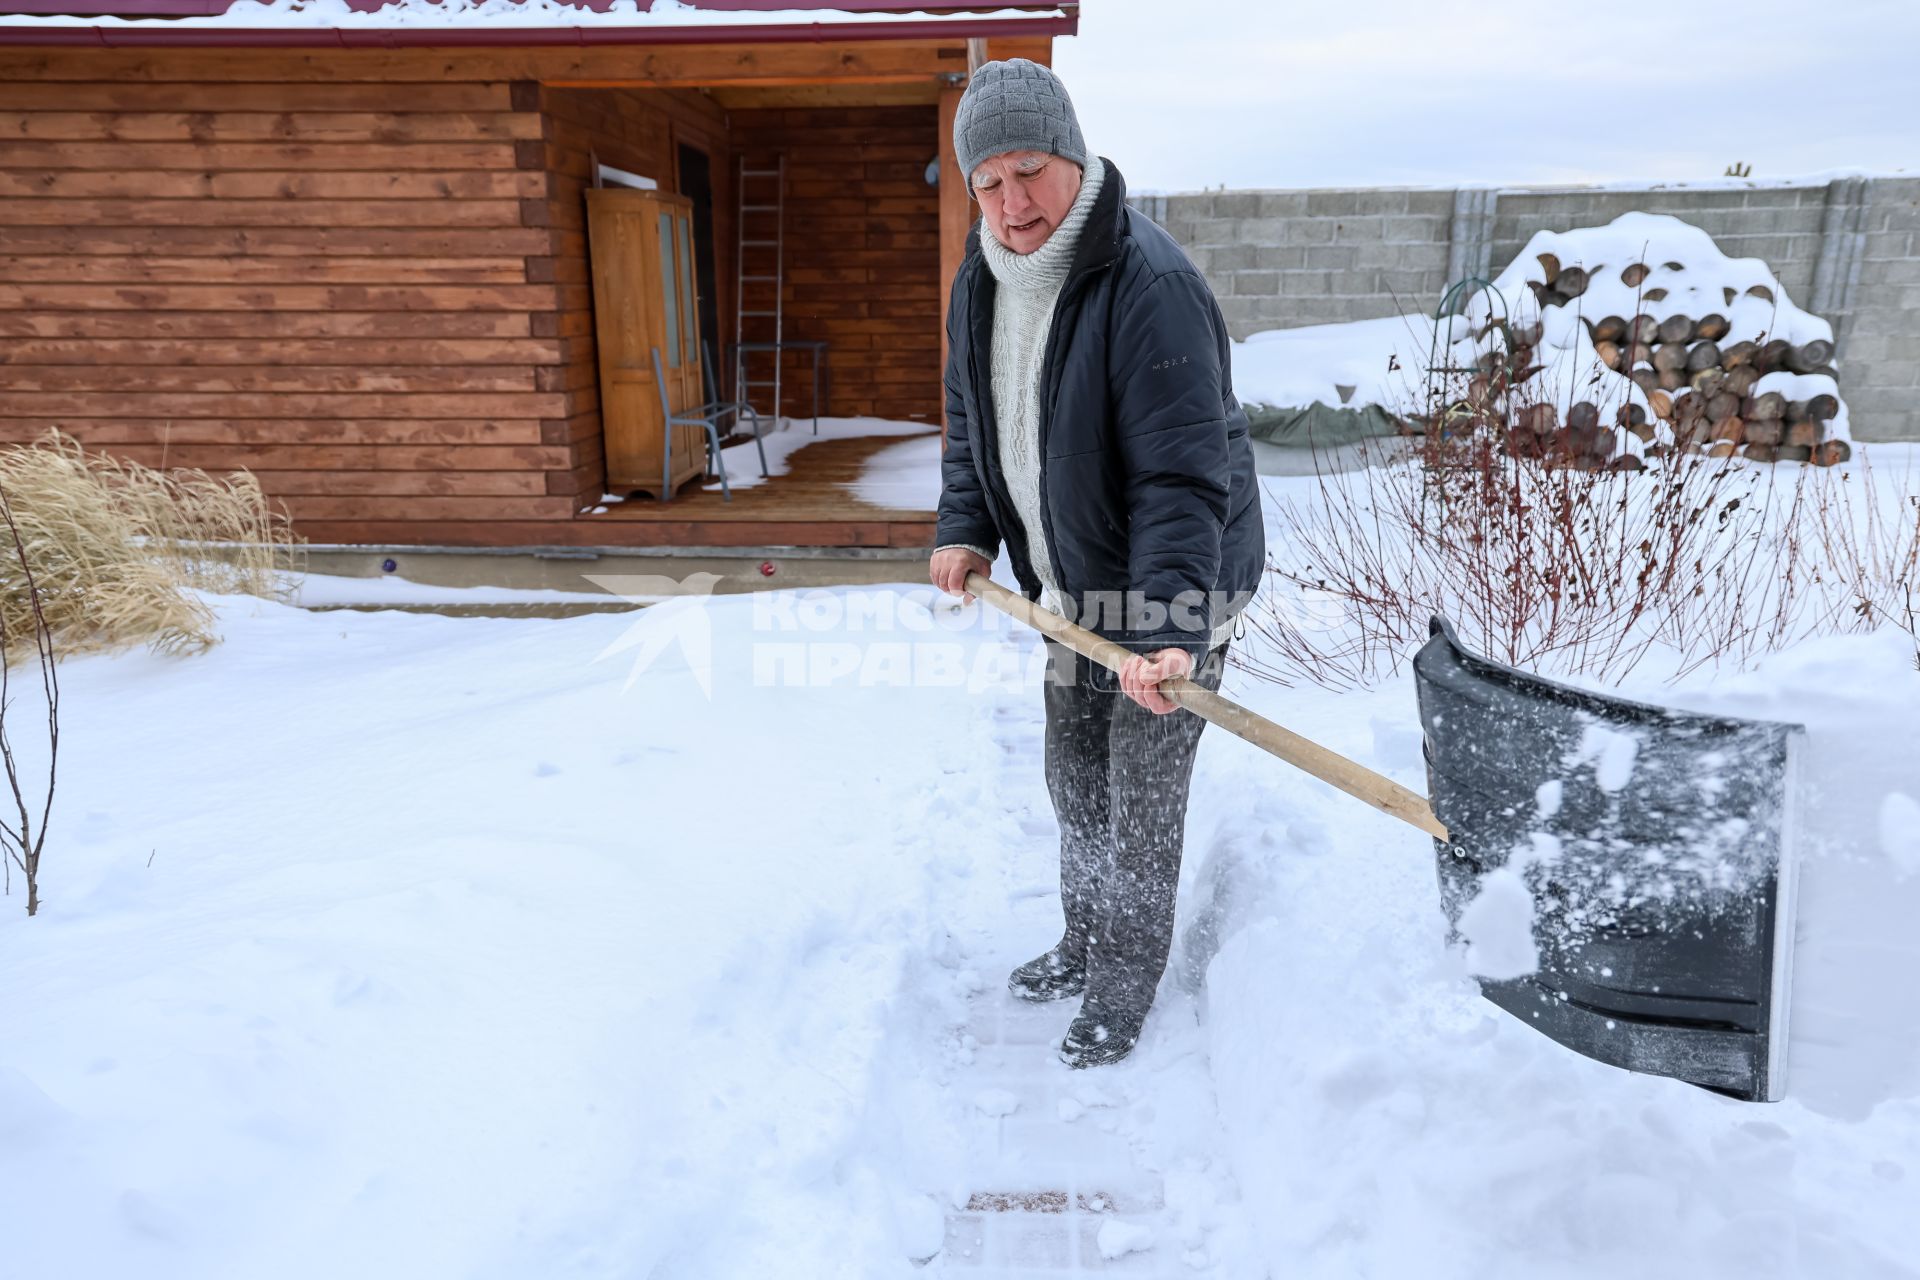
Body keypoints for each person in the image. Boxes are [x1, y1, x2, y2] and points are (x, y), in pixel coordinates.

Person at [929, 59, 1265, 1068]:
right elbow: (970, 425)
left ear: (1072, 158)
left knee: (1139, 800)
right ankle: (1086, 939)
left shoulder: (1147, 285)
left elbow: (1178, 480)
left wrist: (1167, 636)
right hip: (1073, 595)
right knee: (1074, 775)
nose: (1013, 201)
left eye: (1030, 171)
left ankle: (1124, 981)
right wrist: (965, 528)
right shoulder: (982, 277)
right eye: (988, 182)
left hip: (1174, 590)